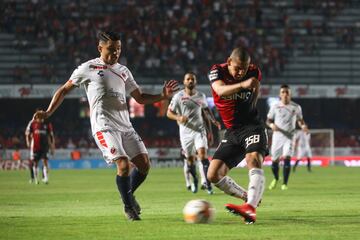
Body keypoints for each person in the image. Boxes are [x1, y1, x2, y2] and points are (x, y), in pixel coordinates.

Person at [33, 31, 178, 221]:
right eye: (111, 49)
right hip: (104, 126)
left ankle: (127, 194)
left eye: (118, 49)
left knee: (144, 165)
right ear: (100, 48)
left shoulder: (124, 71)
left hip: (126, 126)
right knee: (123, 164)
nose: (115, 53)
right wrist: (49, 112)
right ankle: (128, 207)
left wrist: (162, 96)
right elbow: (63, 90)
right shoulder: (88, 68)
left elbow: (140, 98)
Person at [206, 47, 268, 224]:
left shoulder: (254, 71)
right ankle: (247, 196)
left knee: (254, 159)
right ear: (229, 61)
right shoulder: (217, 70)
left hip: (252, 127)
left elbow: (255, 90)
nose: (242, 72)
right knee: (213, 174)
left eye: (245, 68)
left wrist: (251, 107)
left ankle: (250, 208)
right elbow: (219, 90)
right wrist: (243, 85)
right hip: (232, 131)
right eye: (238, 68)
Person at [167, 73, 220, 194]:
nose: (190, 81)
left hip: (199, 131)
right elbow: (169, 113)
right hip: (185, 133)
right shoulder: (178, 97)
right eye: (188, 79)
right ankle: (195, 180)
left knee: (202, 155)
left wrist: (212, 123)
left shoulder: (201, 96)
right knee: (190, 160)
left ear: (195, 82)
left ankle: (207, 183)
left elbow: (206, 111)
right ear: (184, 82)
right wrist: (178, 117)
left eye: (192, 79)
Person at [267, 84, 308, 190]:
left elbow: (300, 120)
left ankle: (284, 183)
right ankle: (276, 178)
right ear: (280, 94)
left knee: (287, 158)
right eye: (283, 92)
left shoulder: (296, 107)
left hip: (290, 137)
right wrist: (272, 125)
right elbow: (268, 120)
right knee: (274, 161)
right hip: (277, 137)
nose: (285, 94)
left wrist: (303, 127)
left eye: (287, 92)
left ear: (290, 94)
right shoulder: (275, 106)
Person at [25, 114, 55, 184]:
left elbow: (51, 136)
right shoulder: (32, 123)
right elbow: (27, 133)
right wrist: (28, 142)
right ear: (37, 117)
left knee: (45, 162)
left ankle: (46, 178)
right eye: (40, 117)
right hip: (35, 147)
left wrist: (52, 147)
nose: (41, 119)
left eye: (42, 117)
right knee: (35, 163)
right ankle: (36, 179)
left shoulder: (47, 124)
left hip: (45, 147)